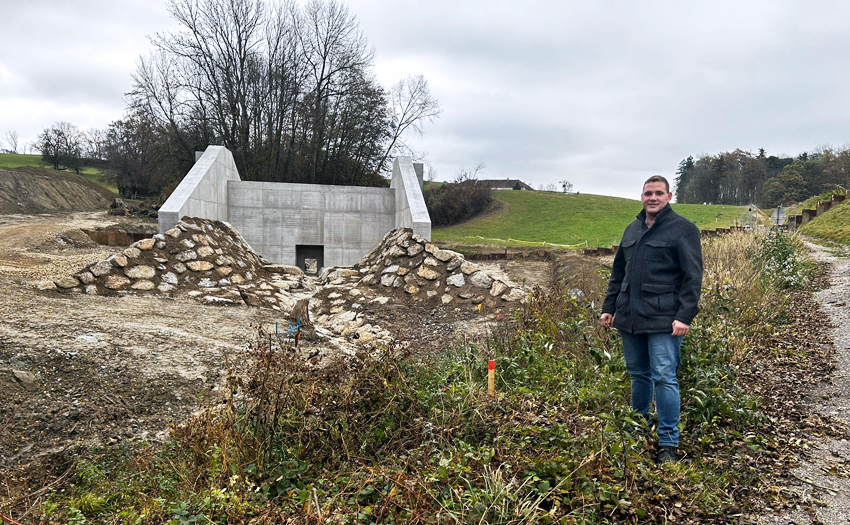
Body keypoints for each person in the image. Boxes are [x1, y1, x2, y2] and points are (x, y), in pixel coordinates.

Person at [600, 175, 703, 464]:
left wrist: (685, 315)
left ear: (669, 196)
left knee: (664, 378)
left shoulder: (683, 229)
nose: (653, 198)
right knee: (638, 375)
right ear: (641, 197)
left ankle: (668, 443)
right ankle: (638, 429)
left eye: (659, 193)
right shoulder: (632, 229)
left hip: (663, 320)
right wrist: (609, 307)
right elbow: (618, 273)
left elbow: (693, 277)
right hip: (630, 318)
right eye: (648, 193)